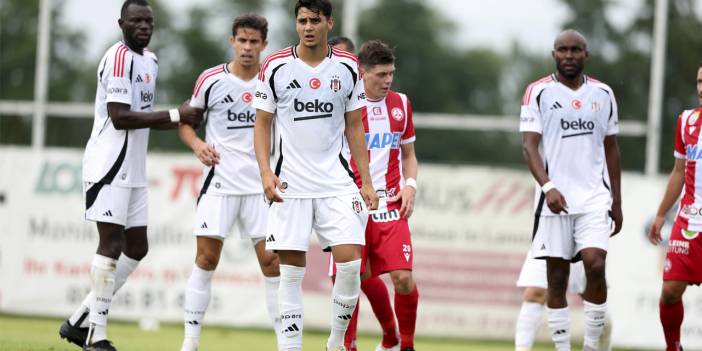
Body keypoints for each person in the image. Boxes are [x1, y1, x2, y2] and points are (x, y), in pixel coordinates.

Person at [58, 1, 203, 350]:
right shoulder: (118, 57)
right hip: (108, 165)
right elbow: (121, 117)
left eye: (148, 21)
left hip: (134, 167)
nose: (143, 26)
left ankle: (79, 320)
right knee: (111, 245)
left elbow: (143, 117)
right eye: (136, 20)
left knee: (137, 247)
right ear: (121, 23)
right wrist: (175, 115)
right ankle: (96, 335)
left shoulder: (150, 60)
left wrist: (181, 119)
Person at [253, 0, 378, 349]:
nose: (308, 27)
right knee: (291, 274)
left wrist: (365, 181)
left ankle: (335, 343)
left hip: (337, 183)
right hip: (289, 184)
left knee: (352, 264)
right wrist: (265, 172)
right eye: (302, 21)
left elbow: (355, 127)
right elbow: (262, 124)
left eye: (315, 20)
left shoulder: (348, 67)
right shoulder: (275, 66)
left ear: (328, 23)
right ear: (296, 24)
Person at [177, 14, 283, 351]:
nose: (248, 48)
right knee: (206, 260)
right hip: (219, 183)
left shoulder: (274, 81)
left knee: (272, 262)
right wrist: (197, 145)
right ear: (232, 41)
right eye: (242, 40)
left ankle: (285, 343)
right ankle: (190, 342)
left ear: (264, 45)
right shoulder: (211, 80)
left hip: (260, 186)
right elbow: (185, 122)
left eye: (254, 42)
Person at [519, 29, 622, 351]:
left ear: (585, 55)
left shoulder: (603, 94)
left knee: (595, 264)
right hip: (555, 202)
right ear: (554, 55)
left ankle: (592, 347)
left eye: (575, 50)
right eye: (562, 50)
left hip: (594, 198)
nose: (568, 56)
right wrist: (548, 187)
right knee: (556, 280)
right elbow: (529, 147)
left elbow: (612, 148)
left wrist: (616, 201)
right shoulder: (538, 92)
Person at [333, 40, 419, 351]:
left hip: (391, 204)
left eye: (391, 74)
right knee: (351, 279)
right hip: (351, 204)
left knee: (403, 279)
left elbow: (409, 153)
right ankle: (348, 344)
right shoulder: (344, 106)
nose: (387, 80)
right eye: (381, 74)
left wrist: (411, 185)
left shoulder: (401, 104)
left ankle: (404, 344)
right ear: (362, 72)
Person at [648, 62, 702, 351]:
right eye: (700, 82)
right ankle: (674, 347)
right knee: (669, 291)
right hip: (690, 219)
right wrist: (660, 214)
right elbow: (679, 172)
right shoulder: (686, 121)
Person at [514, 254, 612, 351]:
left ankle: (604, 345)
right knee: (535, 293)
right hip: (546, 242)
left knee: (591, 297)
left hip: (581, 244)